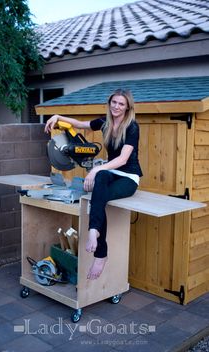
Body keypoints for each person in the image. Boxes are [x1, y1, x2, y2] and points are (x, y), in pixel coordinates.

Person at [44, 89, 142, 280]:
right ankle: (96, 238)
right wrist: (57, 116)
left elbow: (123, 159)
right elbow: (80, 124)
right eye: (114, 102)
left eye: (121, 104)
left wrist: (96, 170)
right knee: (101, 185)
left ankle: (96, 243)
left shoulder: (132, 127)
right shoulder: (105, 123)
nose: (117, 106)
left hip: (129, 177)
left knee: (100, 185)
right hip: (110, 174)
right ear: (110, 102)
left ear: (127, 107)